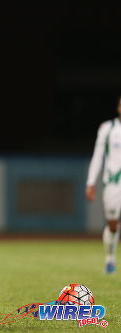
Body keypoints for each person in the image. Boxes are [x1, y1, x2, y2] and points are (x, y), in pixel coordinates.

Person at [86, 95, 121, 274]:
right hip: (113, 183)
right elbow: (98, 156)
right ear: (119, 108)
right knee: (113, 224)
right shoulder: (108, 129)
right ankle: (110, 258)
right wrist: (91, 182)